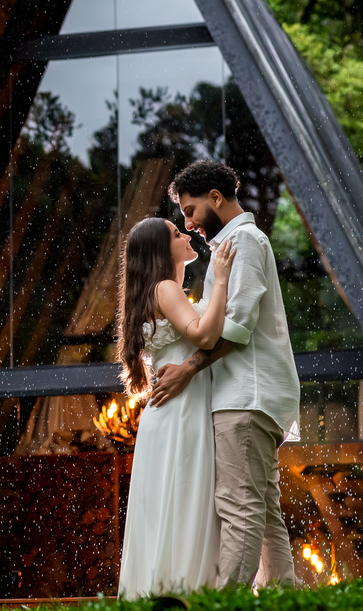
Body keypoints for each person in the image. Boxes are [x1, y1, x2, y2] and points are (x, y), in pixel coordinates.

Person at [149, 160, 301, 589]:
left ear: (216, 198)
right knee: (264, 511)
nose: (188, 221)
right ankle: (282, 597)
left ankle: (225, 601)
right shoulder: (228, 246)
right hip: (248, 396)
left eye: (191, 209)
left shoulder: (246, 241)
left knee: (239, 506)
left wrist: (187, 370)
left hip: (245, 396)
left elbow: (238, 327)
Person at [115, 216, 237, 596]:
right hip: (182, 412)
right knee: (187, 507)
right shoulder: (166, 288)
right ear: (159, 250)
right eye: (175, 233)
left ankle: (167, 594)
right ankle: (187, 594)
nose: (185, 235)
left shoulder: (163, 292)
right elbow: (203, 334)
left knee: (172, 510)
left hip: (170, 415)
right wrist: (222, 277)